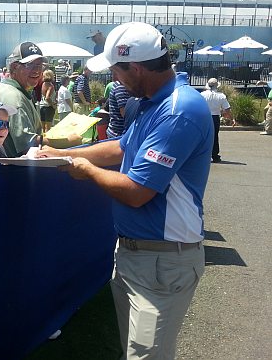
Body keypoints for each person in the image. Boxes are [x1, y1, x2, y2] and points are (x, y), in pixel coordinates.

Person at [39, 22, 213, 359]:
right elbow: (120, 147)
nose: (114, 80)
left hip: (163, 260)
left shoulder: (178, 111)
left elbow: (136, 192)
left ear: (135, 68)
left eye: (117, 72)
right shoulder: (154, 102)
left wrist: (86, 170)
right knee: (133, 352)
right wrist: (63, 154)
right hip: (140, 255)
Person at [0, 42, 75, 156]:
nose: (37, 70)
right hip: (18, 170)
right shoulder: (14, 97)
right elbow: (27, 145)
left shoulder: (10, 90)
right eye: (30, 65)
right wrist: (68, 142)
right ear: (14, 67)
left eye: (40, 65)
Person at [201, 78, 235, 162]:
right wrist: (232, 119)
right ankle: (215, 155)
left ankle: (202, 155)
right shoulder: (221, 96)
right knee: (214, 136)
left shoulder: (202, 95)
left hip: (205, 117)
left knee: (203, 136)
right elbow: (227, 109)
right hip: (215, 117)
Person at [39, 69, 56, 133]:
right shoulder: (50, 86)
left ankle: (42, 140)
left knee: (43, 128)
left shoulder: (43, 84)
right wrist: (53, 105)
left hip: (42, 106)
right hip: (48, 107)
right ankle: (47, 141)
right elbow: (47, 97)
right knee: (48, 128)